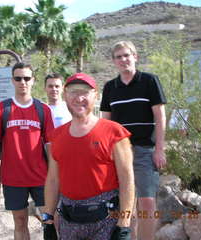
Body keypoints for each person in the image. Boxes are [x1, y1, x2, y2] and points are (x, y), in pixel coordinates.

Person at [42, 72, 135, 240]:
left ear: (95, 96)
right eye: (73, 92)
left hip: (106, 222)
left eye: (85, 92)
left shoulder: (115, 133)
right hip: (68, 221)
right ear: (65, 95)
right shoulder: (56, 136)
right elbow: (53, 180)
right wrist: (47, 219)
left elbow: (127, 180)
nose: (79, 98)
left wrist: (124, 224)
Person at [100, 41, 167, 240]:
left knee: (147, 202)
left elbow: (160, 117)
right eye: (118, 57)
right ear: (114, 61)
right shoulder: (110, 87)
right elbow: (106, 123)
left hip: (146, 150)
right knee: (126, 202)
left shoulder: (149, 81)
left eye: (126, 55)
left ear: (135, 56)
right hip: (119, 153)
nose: (123, 60)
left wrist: (160, 149)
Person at [0, 62, 55, 240]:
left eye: (26, 78)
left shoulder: (43, 110)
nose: (22, 82)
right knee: (20, 221)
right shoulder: (1, 109)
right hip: (13, 179)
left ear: (33, 80)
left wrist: (56, 176)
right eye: (18, 78)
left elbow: (51, 146)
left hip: (41, 178)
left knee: (49, 220)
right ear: (12, 81)